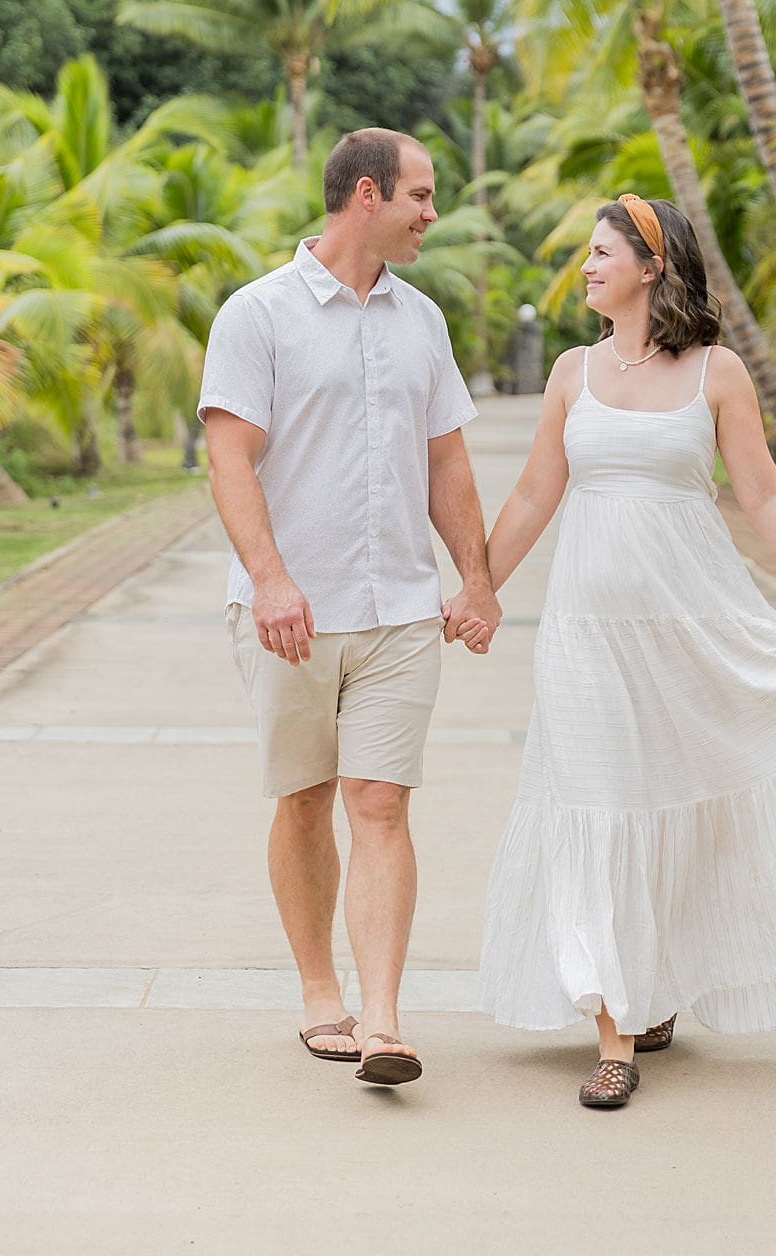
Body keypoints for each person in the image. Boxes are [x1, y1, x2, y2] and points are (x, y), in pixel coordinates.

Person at [462, 193, 776, 1109]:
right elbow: (530, 498)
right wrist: (479, 589)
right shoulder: (571, 372)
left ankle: (655, 981)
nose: (588, 267)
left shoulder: (719, 374)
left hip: (692, 626)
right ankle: (615, 1034)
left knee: (681, 804)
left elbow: (762, 496)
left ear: (654, 265)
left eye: (603, 253)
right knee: (600, 803)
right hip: (586, 640)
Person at [197, 127, 501, 1088]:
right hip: (291, 614)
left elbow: (446, 460)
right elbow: (228, 457)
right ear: (366, 196)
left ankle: (382, 1022)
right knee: (305, 801)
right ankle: (319, 993)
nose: (432, 213)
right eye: (421, 194)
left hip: (401, 610)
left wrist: (477, 577)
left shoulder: (424, 321)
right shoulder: (258, 314)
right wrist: (273, 577)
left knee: (380, 802)